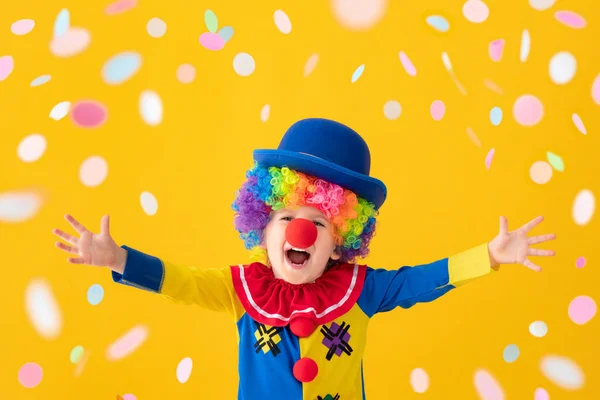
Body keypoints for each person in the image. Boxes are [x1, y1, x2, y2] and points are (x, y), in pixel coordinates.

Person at [53, 118, 556, 399]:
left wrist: (487, 256)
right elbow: (180, 281)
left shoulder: (362, 290)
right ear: (263, 227)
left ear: (340, 239)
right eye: (287, 218)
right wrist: (121, 258)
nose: (301, 231)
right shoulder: (240, 289)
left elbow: (419, 281)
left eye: (319, 223)